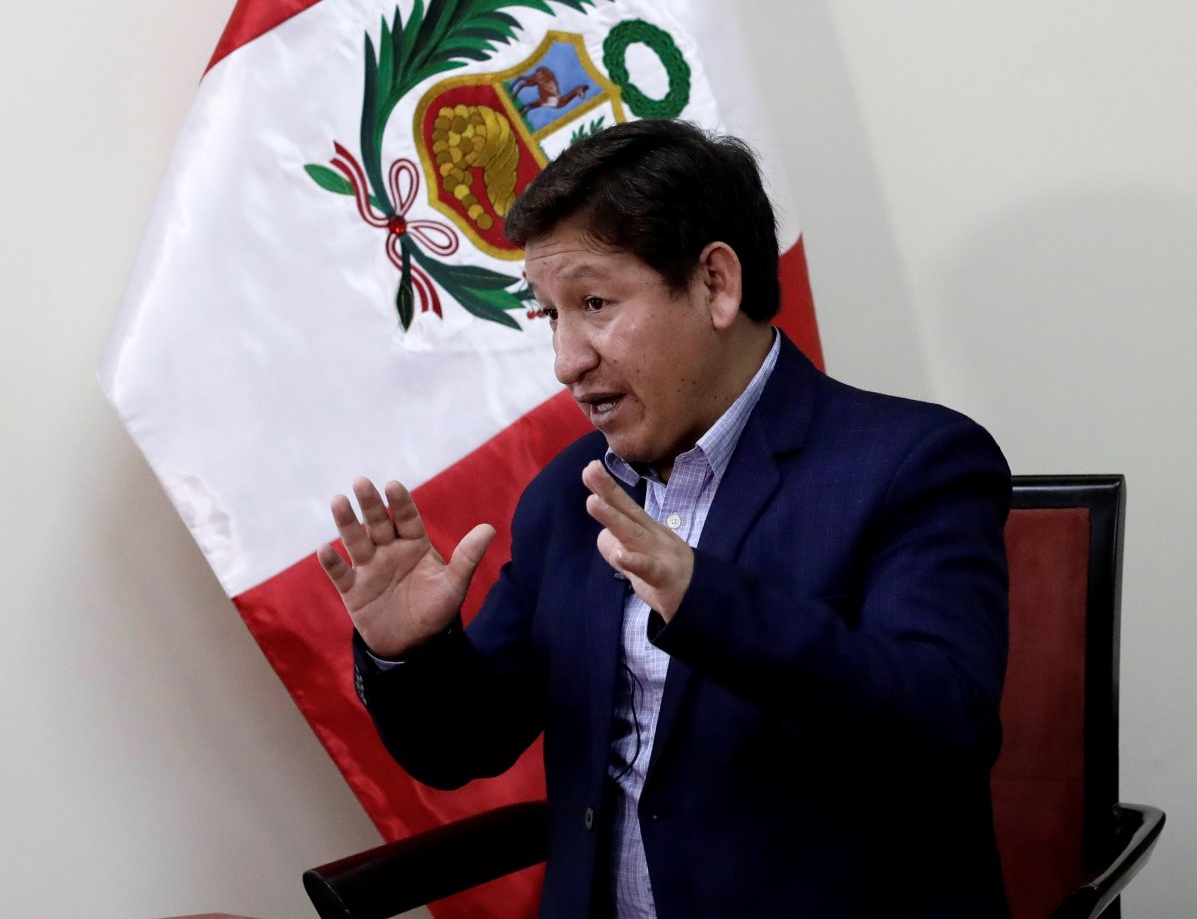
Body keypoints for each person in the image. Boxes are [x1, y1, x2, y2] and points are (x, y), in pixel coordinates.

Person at [316, 119, 1012, 918]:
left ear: (716, 283)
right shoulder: (568, 497)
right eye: (550, 314)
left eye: (596, 303)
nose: (566, 360)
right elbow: (465, 746)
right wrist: (411, 654)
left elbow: (943, 730)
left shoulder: (911, 463)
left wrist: (701, 596)